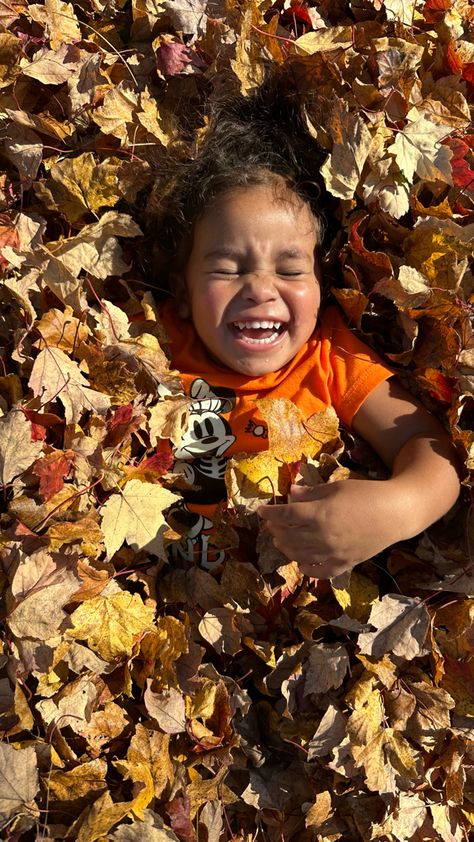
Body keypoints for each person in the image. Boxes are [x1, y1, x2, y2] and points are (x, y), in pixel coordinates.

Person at [148, 74, 460, 579]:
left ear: (321, 283)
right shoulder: (153, 345)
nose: (259, 288)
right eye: (227, 268)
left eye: (290, 269)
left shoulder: (329, 356)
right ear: (182, 294)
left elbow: (427, 447)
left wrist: (396, 508)